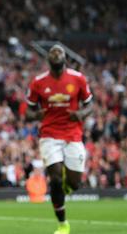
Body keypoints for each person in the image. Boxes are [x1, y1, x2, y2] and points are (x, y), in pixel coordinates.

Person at [26, 45, 94, 234]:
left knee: (74, 184)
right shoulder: (38, 82)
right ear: (48, 59)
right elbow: (28, 111)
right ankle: (63, 225)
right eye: (52, 52)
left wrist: (81, 113)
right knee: (55, 179)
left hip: (73, 135)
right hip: (49, 135)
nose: (56, 53)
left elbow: (90, 105)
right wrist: (35, 115)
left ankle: (66, 184)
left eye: (60, 52)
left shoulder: (78, 78)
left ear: (65, 58)